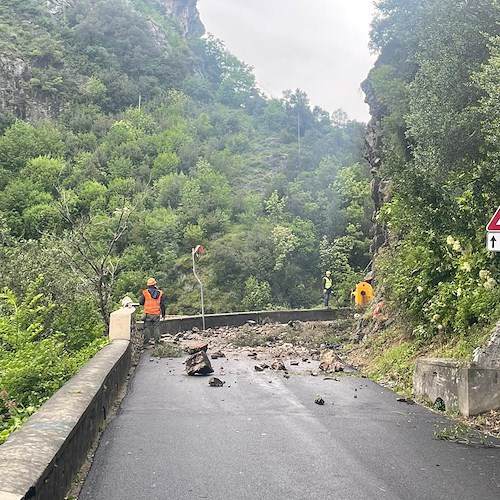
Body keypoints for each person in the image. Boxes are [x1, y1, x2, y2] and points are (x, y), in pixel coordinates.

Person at [139, 277, 165, 346]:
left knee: (147, 327)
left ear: (148, 285)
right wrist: (163, 314)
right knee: (156, 328)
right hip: (156, 313)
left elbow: (141, 302)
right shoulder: (160, 293)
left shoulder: (145, 292)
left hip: (148, 313)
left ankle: (146, 343)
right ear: (155, 284)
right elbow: (162, 305)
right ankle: (157, 343)